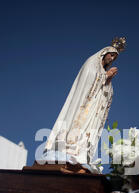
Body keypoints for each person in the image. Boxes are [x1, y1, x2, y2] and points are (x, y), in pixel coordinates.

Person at [42, 37, 126, 173]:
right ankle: (68, 150)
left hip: (93, 110)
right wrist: (105, 77)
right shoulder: (91, 64)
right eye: (111, 55)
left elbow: (105, 93)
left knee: (88, 133)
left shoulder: (103, 72)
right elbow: (88, 83)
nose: (111, 59)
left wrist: (108, 81)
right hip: (83, 106)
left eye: (114, 58)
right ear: (104, 53)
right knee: (76, 127)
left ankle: (81, 155)